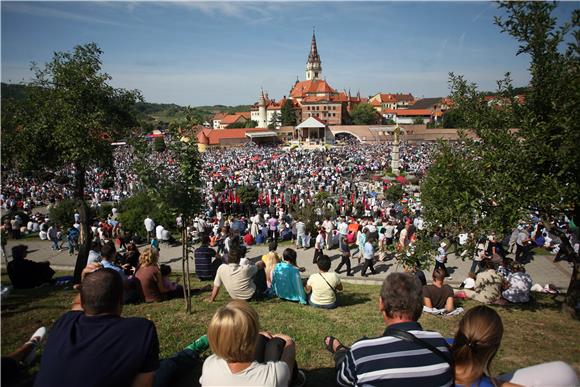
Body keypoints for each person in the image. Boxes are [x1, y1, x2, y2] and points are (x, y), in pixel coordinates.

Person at [34, 267, 160, 387]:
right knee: (169, 366)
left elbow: (77, 304)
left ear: (82, 302)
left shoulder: (65, 321)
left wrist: (85, 281)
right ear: (121, 299)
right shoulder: (141, 330)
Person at [324, 272, 453, 386]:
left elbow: (342, 381)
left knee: (345, 360)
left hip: (354, 359)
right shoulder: (440, 343)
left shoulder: (362, 351)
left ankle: (340, 351)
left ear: (381, 304)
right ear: (420, 307)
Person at [453, 305, 578, 387]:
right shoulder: (484, 384)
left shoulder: (441, 348)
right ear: (494, 347)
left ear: (459, 331)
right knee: (564, 372)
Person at [199, 300, 304, 386]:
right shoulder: (274, 375)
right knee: (276, 344)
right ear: (254, 335)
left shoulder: (209, 363)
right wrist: (289, 342)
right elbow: (287, 366)